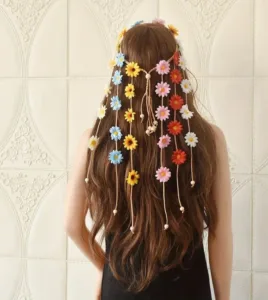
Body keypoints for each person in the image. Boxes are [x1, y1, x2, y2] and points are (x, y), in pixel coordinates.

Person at [65, 20, 233, 300]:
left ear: (121, 74)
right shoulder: (208, 139)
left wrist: (105, 268)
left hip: (119, 289)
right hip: (188, 291)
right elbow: (221, 232)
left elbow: (71, 225)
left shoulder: (95, 141)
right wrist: (223, 298)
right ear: (175, 71)